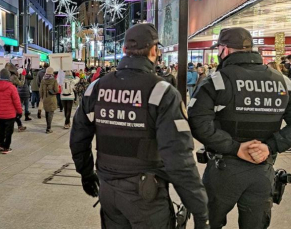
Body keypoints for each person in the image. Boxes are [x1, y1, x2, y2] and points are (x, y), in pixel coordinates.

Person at [70, 23, 209, 229]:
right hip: (146, 196)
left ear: (125, 50)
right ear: (154, 51)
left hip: (108, 190)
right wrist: (199, 210)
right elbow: (178, 158)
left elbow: (78, 137)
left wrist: (86, 173)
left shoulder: (96, 87)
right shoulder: (162, 92)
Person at [188, 27, 291, 229]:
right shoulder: (283, 82)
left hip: (223, 169)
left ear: (225, 50)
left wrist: (235, 147)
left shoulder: (216, 81)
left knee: (209, 223)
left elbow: (198, 123)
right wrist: (270, 146)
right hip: (262, 168)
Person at [0, 69, 23, 154]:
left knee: (2, 129)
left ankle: (1, 145)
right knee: (9, 131)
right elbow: (16, 101)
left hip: (0, 113)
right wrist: (19, 111)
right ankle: (6, 147)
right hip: (10, 114)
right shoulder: (11, 87)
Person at [4, 63, 26, 132]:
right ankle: (18, 126)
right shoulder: (13, 77)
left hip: (4, 95)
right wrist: (23, 76)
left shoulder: (3, 76)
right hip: (12, 94)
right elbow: (21, 84)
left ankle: (17, 125)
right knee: (15, 111)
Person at [40, 67, 58, 134]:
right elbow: (56, 90)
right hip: (52, 98)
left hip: (45, 98)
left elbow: (40, 90)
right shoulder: (54, 80)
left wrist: (42, 97)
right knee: (51, 113)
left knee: (47, 112)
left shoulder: (43, 80)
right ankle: (48, 128)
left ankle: (48, 126)